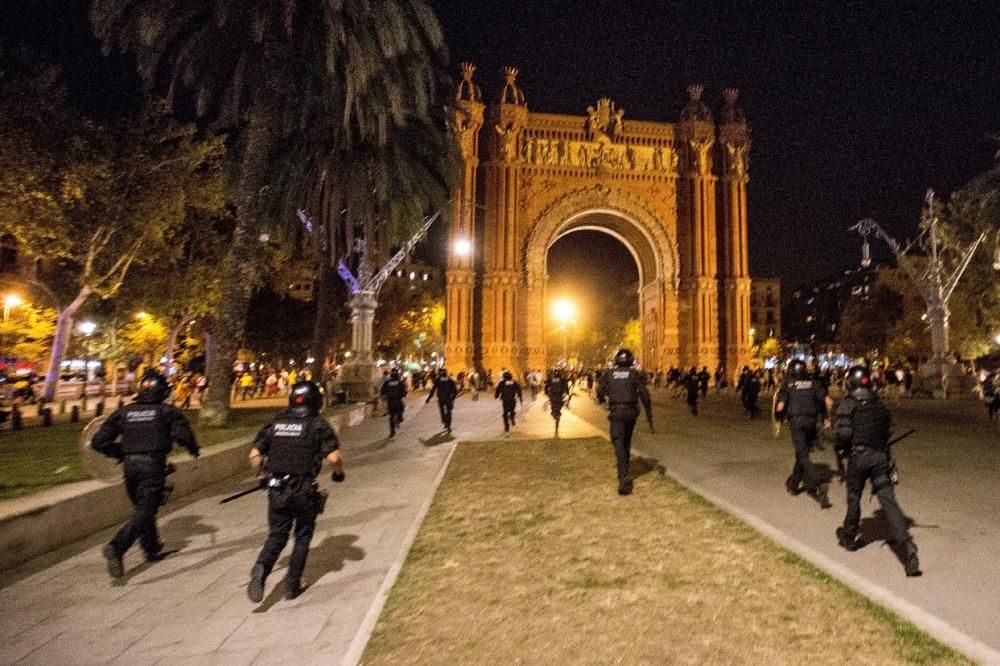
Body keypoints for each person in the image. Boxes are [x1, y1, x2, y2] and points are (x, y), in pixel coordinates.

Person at [91, 370, 200, 578]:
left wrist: (121, 452)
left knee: (144, 509)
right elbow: (183, 435)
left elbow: (98, 442)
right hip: (152, 467)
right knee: (146, 510)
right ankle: (117, 546)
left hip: (130, 468)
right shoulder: (167, 412)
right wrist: (193, 449)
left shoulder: (124, 413)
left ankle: (151, 549)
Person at [246, 380, 344, 601]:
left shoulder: (276, 422)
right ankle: (292, 585)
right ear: (316, 401)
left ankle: (261, 567)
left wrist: (262, 475)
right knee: (302, 536)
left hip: (276, 489)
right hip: (303, 491)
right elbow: (334, 457)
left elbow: (254, 455)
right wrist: (338, 473)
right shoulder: (316, 424)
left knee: (277, 535)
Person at [834, 365, 921, 577]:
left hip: (859, 458)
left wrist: (842, 448)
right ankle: (907, 546)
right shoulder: (879, 406)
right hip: (880, 458)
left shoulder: (848, 404)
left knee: (854, 496)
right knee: (888, 500)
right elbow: (886, 432)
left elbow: (843, 436)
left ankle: (849, 534)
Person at [775, 359, 833, 508]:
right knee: (801, 454)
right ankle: (793, 484)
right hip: (811, 423)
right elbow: (829, 402)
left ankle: (818, 483)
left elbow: (780, 407)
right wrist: (827, 419)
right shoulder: (813, 383)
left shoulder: (788, 384)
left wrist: (777, 417)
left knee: (803, 455)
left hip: (797, 423)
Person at [596, 349, 653, 496]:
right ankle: (625, 468)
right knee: (626, 441)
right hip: (631, 413)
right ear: (630, 361)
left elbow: (600, 390)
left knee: (618, 442)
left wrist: (602, 400)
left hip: (616, 412)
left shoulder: (609, 373)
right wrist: (649, 414)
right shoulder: (634, 374)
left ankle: (623, 478)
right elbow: (645, 394)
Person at [426, 368, 458, 433]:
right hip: (449, 399)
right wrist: (453, 398)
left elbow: (433, 390)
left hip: (441, 399)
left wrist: (429, 398)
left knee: (442, 411)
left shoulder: (437, 380)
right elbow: (455, 391)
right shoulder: (450, 380)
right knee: (449, 412)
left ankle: (445, 422)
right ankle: (448, 424)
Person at [380, 368, 408, 437]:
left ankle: (392, 432)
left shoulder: (387, 382)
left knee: (391, 416)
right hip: (398, 401)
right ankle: (399, 419)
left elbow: (382, 391)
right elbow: (404, 393)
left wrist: (386, 395)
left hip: (390, 402)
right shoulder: (400, 382)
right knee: (401, 413)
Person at [544, 369, 570, 434]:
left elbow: (546, 385)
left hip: (554, 397)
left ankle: (556, 417)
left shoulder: (553, 379)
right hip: (558, 397)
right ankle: (557, 418)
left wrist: (546, 393)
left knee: (554, 409)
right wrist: (567, 393)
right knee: (557, 409)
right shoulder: (561, 380)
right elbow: (566, 386)